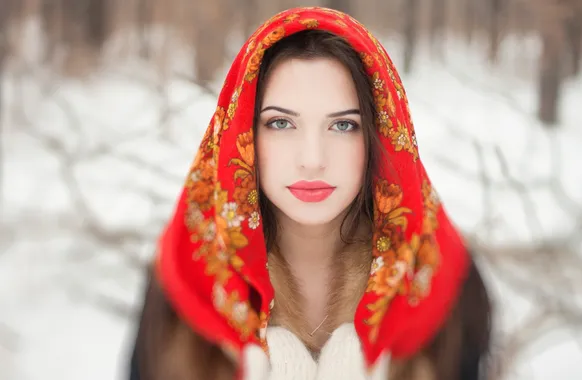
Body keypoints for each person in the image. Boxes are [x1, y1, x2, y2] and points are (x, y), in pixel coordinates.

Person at [128, 6, 493, 380]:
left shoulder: (442, 276)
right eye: (281, 123)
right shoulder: (186, 274)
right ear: (242, 131)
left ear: (382, 134)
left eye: (344, 125)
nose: (313, 160)